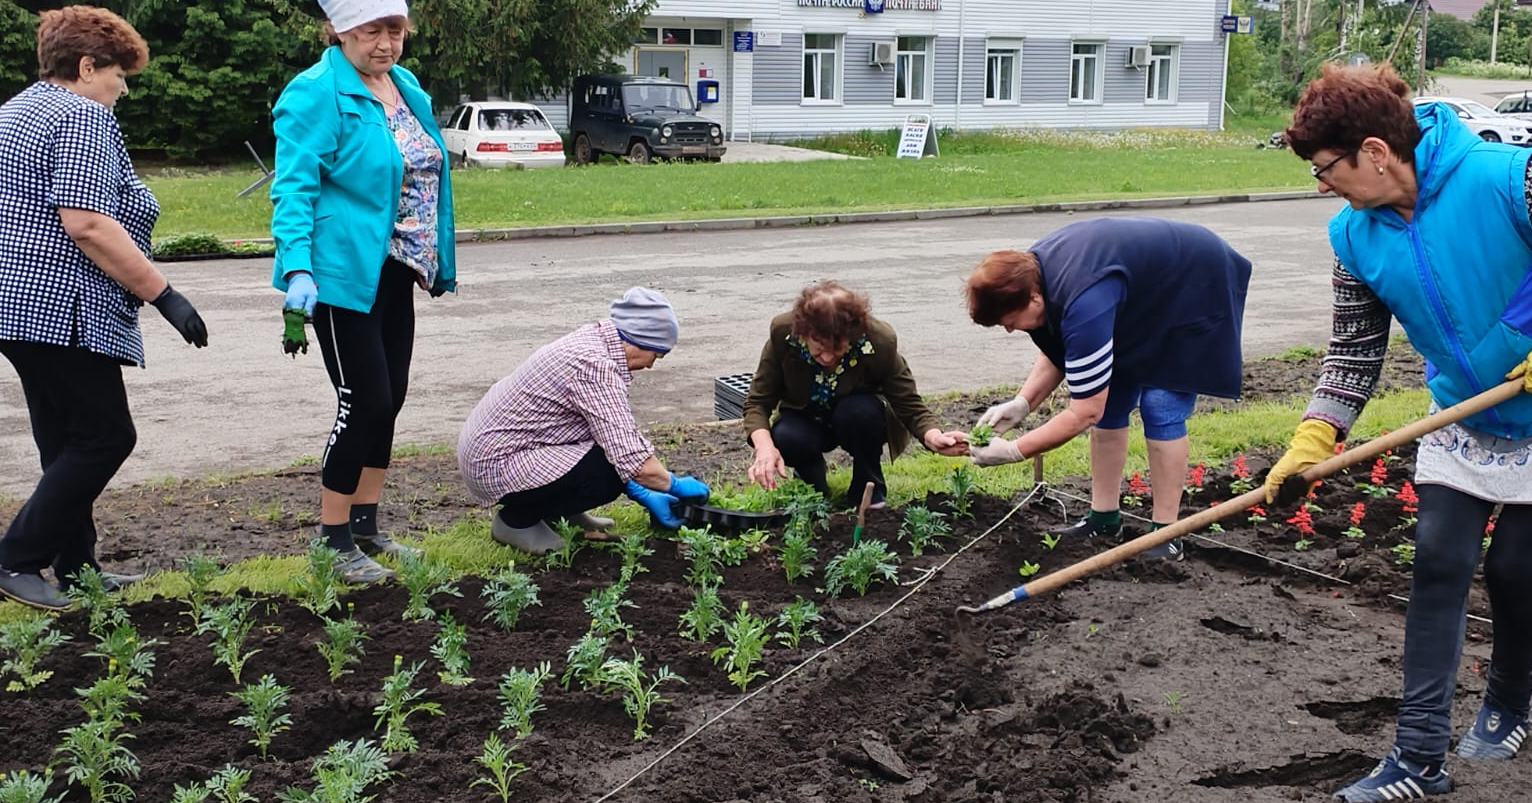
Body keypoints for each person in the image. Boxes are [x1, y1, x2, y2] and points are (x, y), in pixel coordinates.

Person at [1265, 62, 1532, 803]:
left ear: (1377, 152)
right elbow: (1354, 352)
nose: (1321, 185)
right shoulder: (1354, 236)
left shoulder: (1512, 178)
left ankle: (1509, 702)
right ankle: (1418, 756)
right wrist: (1315, 436)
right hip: (1465, 412)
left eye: (1326, 168)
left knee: (1514, 569)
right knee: (1439, 562)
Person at [0, 6, 209, 611]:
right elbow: (88, 223)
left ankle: (76, 567)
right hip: (57, 306)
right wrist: (164, 295)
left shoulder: (16, 111)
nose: (123, 88)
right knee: (105, 435)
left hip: (15, 308)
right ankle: (16, 557)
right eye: (120, 74)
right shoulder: (82, 116)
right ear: (88, 67)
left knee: (63, 438)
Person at [271, 0, 457, 584]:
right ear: (338, 31)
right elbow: (294, 187)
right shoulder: (315, 92)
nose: (385, 43)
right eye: (371, 30)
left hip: (396, 269)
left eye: (395, 30)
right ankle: (331, 539)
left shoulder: (404, 86)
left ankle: (367, 527)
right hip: (339, 272)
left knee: (392, 400)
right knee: (364, 399)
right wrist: (296, 266)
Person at [963, 218, 1252, 559]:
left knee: (1161, 405)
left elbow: (1085, 410)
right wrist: (1023, 403)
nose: (1009, 330)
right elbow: (1063, 346)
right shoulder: (1032, 276)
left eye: (1008, 320)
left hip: (1195, 283)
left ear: (1034, 296)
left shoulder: (1084, 296)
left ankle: (1165, 534)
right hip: (1141, 293)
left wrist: (1015, 451)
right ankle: (1103, 518)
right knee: (1113, 401)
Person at [458, 287, 708, 551]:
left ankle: (561, 513)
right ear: (638, 340)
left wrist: (642, 490)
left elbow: (609, 432)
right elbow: (632, 459)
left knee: (607, 456)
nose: (651, 365)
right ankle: (516, 522)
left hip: (508, 447)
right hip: (495, 463)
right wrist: (673, 485)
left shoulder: (595, 340)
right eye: (655, 355)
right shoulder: (594, 366)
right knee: (606, 475)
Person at [743, 281, 967, 507]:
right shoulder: (784, 335)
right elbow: (758, 402)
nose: (828, 358)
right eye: (819, 348)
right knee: (788, 437)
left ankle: (868, 486)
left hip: (854, 417)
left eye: (838, 348)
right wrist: (764, 448)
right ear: (804, 332)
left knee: (861, 413)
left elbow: (907, 402)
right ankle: (811, 485)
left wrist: (934, 436)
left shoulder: (879, 342)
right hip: (804, 417)